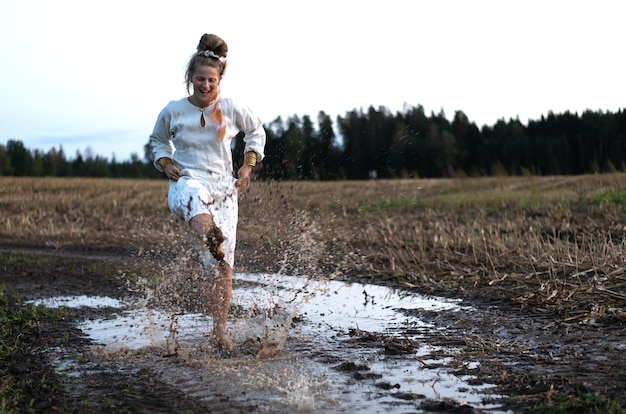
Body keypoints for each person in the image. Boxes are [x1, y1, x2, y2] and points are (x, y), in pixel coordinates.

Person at [149, 33, 266, 352]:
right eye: (200, 79)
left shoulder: (230, 108)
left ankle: (219, 334)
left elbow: (256, 131)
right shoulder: (173, 110)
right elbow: (158, 140)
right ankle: (210, 234)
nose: (205, 85)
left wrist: (247, 164)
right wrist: (165, 162)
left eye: (211, 80)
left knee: (223, 268)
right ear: (191, 77)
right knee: (197, 208)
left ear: (220, 79)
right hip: (186, 181)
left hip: (223, 190)